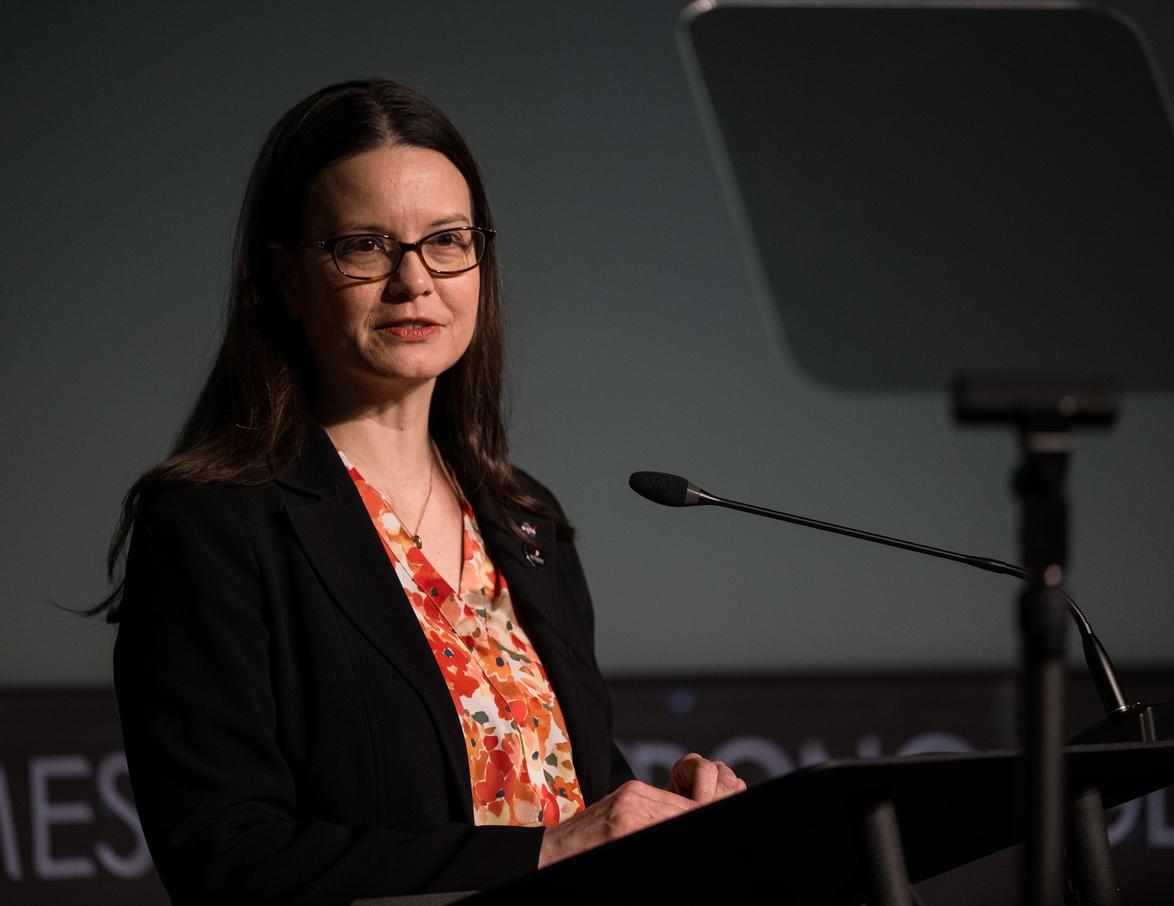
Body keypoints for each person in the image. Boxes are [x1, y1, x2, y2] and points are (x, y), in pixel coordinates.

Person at [104, 79, 744, 905]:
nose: (415, 281)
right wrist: (547, 852)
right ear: (289, 279)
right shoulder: (213, 525)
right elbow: (229, 860)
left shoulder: (525, 522)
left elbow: (576, 802)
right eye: (364, 246)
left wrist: (673, 822)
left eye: (446, 240)